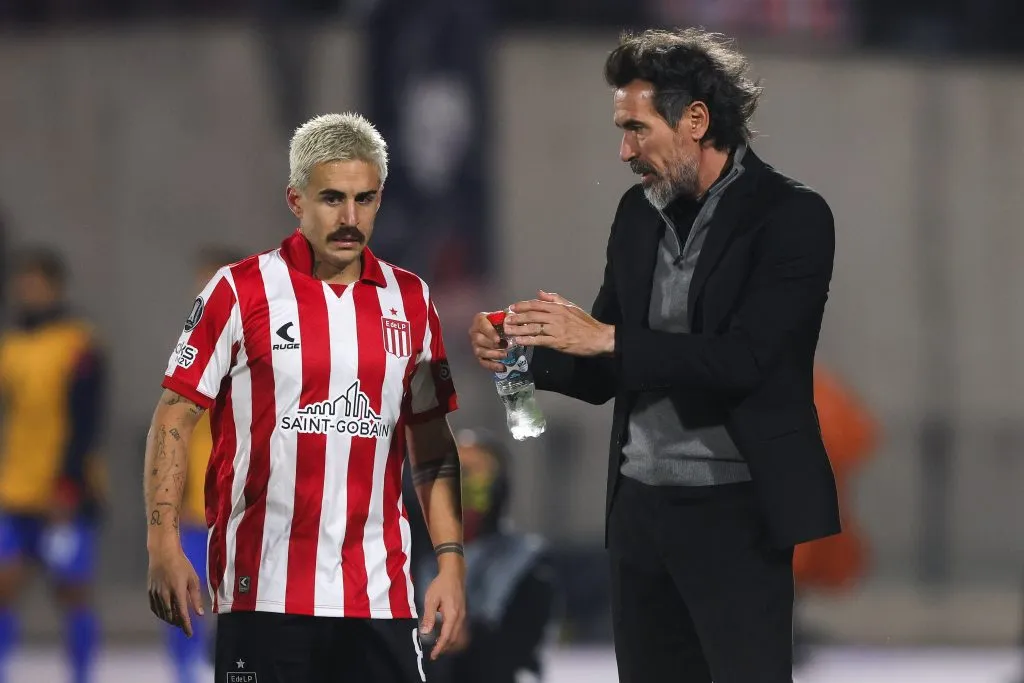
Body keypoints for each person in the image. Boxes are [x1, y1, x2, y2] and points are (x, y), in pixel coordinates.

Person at [470, 28, 840, 683]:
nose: (623, 150)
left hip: (736, 514)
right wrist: (527, 354)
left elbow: (746, 360)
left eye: (637, 129)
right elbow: (608, 366)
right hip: (638, 513)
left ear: (695, 119)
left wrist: (604, 337)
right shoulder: (637, 214)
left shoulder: (793, 216)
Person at [143, 112, 466, 683]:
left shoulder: (411, 300)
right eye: (331, 199)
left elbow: (432, 446)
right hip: (264, 589)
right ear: (295, 200)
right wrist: (163, 538)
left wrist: (450, 561)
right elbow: (175, 414)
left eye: (364, 200)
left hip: (378, 594)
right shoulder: (239, 290)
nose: (350, 218)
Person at [0, 248, 106, 683]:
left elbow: (87, 418)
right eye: (23, 284)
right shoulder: (11, 346)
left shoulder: (79, 343)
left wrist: (69, 482)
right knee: (5, 584)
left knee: (71, 591)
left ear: (55, 287)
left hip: (66, 490)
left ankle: (81, 673)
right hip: (17, 489)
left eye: (37, 283)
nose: (28, 292)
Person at [406, 428, 557, 683]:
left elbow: (523, 645)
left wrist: (470, 638)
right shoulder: (410, 556)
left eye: (475, 474)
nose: (461, 482)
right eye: (454, 471)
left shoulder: (526, 562)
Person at [162, 246, 247, 683]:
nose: (205, 294)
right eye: (201, 286)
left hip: (249, 510)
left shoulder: (266, 349)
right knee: (183, 600)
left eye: (212, 283)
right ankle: (184, 676)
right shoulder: (192, 352)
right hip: (197, 509)